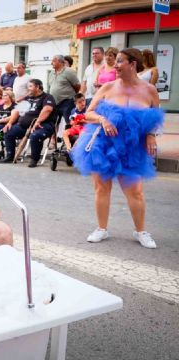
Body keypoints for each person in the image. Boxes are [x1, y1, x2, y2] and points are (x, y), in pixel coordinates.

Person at [71, 48, 163, 249]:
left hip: (133, 146)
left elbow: (156, 119)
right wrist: (103, 120)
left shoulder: (149, 90)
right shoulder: (108, 87)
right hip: (104, 144)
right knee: (102, 188)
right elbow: (89, 113)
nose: (115, 65)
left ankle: (141, 231)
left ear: (133, 64)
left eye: (119, 61)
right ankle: (101, 229)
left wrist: (150, 136)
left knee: (135, 191)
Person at [0, 79, 56, 167]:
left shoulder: (47, 97)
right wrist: (10, 123)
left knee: (35, 135)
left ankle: (34, 159)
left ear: (37, 87)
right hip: (24, 127)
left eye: (30, 86)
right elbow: (17, 111)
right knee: (9, 131)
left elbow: (47, 109)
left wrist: (38, 121)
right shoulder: (28, 98)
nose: (28, 88)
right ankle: (10, 156)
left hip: (43, 125)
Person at [48, 54, 81, 128]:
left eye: (53, 61)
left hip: (67, 101)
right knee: (53, 122)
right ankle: (54, 139)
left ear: (60, 62)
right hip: (54, 102)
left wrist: (71, 95)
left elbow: (77, 86)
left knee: (69, 121)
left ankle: (70, 137)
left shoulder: (69, 71)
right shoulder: (51, 73)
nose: (51, 63)